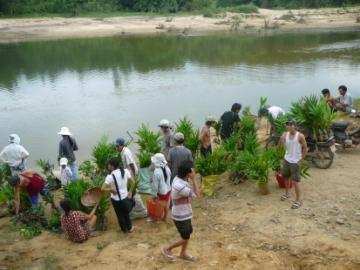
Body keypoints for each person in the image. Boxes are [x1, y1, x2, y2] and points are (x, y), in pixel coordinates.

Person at [162, 160, 200, 262]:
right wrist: (194, 180)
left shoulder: (178, 179)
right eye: (192, 169)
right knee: (186, 237)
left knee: (188, 234)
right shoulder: (180, 186)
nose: (194, 170)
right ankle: (168, 248)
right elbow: (197, 194)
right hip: (180, 216)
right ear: (188, 173)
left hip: (184, 213)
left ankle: (183, 253)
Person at [115, 138, 147, 219]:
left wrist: (134, 177)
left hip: (132, 174)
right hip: (130, 174)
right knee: (132, 192)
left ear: (122, 145)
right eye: (116, 146)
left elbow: (131, 164)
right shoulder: (123, 151)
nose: (116, 148)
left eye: (117, 146)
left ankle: (141, 211)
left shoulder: (125, 153)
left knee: (134, 192)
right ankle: (138, 210)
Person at [279, 120, 308, 209]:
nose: (288, 126)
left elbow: (305, 148)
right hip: (287, 160)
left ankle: (298, 200)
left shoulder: (300, 136)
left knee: (295, 182)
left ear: (294, 126)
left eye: (290, 125)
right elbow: (280, 145)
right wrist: (281, 141)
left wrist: (301, 159)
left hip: (295, 161)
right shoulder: (285, 135)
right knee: (286, 177)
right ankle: (287, 194)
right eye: (287, 125)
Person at [102, 158, 134, 233]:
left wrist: (111, 190)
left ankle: (124, 229)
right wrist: (130, 191)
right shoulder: (125, 171)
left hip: (115, 199)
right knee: (126, 213)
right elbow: (133, 182)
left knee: (119, 215)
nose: (108, 166)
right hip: (125, 197)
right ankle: (130, 228)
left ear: (112, 166)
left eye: (109, 165)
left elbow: (102, 188)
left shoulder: (110, 176)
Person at [150, 153, 171, 221]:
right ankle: (165, 217)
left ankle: (157, 218)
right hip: (168, 190)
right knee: (167, 203)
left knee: (159, 205)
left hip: (161, 192)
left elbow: (155, 186)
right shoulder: (167, 168)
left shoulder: (156, 172)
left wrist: (154, 195)